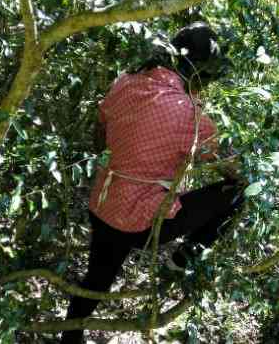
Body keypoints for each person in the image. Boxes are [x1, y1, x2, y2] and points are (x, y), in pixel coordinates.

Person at [61, 22, 245, 344]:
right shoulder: (190, 115)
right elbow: (231, 172)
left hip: (103, 206)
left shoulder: (126, 83)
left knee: (97, 280)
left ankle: (69, 338)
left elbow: (100, 133)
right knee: (238, 193)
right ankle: (183, 260)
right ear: (197, 71)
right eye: (208, 77)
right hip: (139, 224)